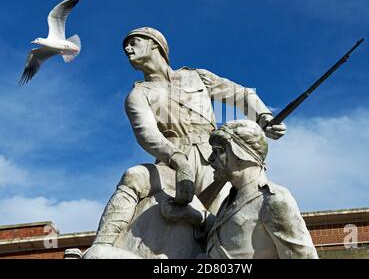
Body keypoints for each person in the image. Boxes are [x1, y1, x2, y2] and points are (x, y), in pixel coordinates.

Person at [92, 27, 287, 248]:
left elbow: (241, 94)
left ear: (155, 44)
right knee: (134, 175)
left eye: (134, 42)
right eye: (126, 46)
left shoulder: (196, 77)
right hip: (171, 161)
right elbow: (146, 133)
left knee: (226, 212)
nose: (127, 48)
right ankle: (101, 246)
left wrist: (263, 117)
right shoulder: (138, 94)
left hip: (213, 160)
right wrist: (176, 158)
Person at [161, 120, 318, 259]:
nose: (210, 160)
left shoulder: (273, 200)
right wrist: (197, 217)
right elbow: (230, 234)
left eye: (218, 151)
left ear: (241, 154)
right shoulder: (229, 202)